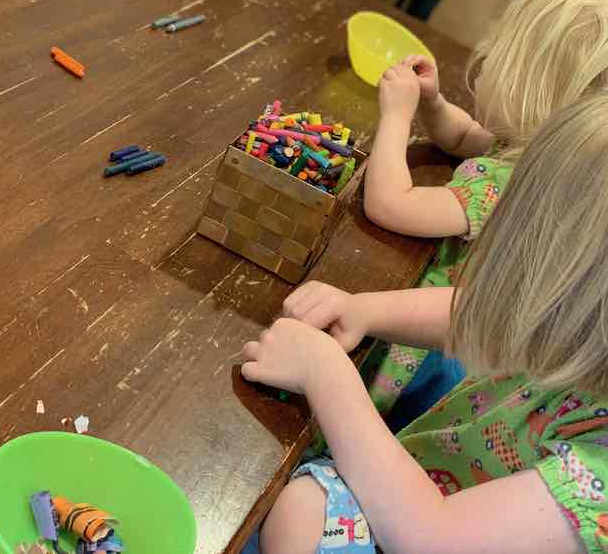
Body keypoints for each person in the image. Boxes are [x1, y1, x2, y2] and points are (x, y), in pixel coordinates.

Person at [242, 94, 608, 553]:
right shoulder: (580, 331)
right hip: (427, 489)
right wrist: (364, 310)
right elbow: (491, 312)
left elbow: (434, 539)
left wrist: (326, 374)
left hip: (426, 530)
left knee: (304, 510)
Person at [362, 0, 608, 419]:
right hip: (461, 339)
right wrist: (433, 103)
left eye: (497, 53)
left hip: (420, 351)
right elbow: (463, 136)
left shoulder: (503, 183)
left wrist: (396, 118)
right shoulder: (531, 153)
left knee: (367, 414)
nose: (484, 58)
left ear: (527, 89)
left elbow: (390, 204)